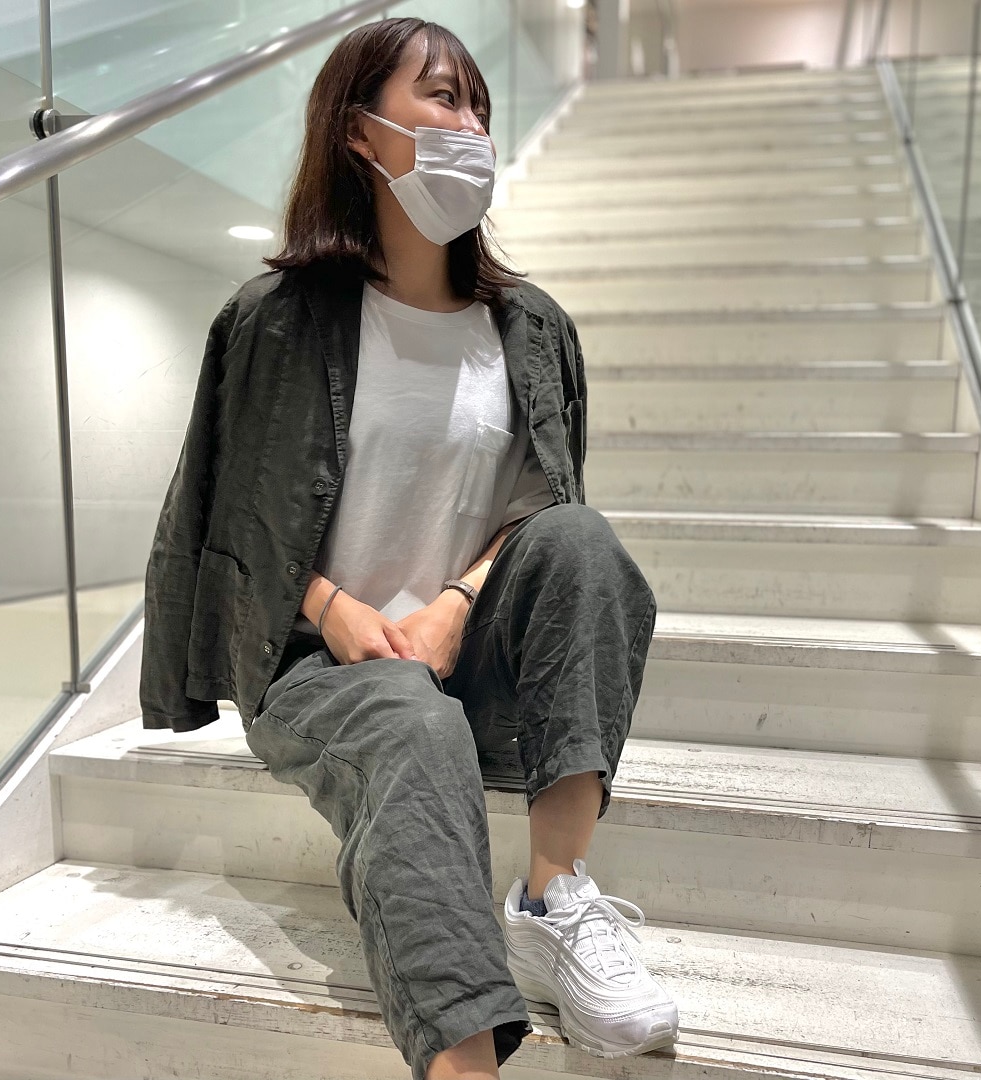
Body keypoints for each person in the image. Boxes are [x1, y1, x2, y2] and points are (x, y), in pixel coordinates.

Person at [140, 16, 678, 1080]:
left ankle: (555, 897)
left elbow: (537, 513)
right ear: (358, 131)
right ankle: (461, 1064)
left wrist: (458, 604)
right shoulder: (274, 320)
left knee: (583, 541)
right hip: (320, 665)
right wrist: (334, 609)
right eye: (441, 97)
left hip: (465, 654)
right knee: (409, 722)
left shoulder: (532, 328)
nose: (469, 125)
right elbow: (232, 513)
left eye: (480, 104)